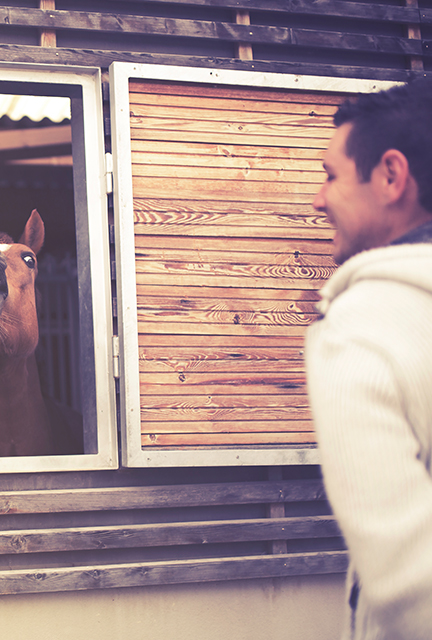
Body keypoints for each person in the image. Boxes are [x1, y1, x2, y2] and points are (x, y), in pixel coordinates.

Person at [306, 76, 432, 639]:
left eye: (332, 176)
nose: (318, 197)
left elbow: (409, 583)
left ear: (390, 176)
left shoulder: (358, 330)